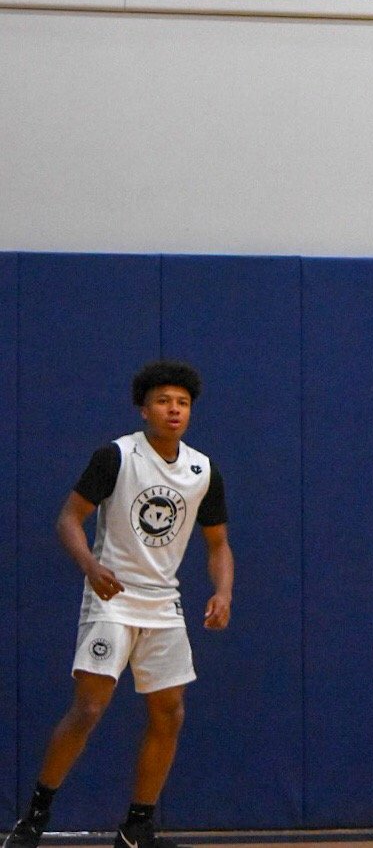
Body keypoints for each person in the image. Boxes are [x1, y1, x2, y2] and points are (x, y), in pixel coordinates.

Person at [4, 362, 233, 848]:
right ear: (143, 408)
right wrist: (90, 565)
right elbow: (69, 519)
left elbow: (218, 545)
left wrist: (223, 591)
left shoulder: (202, 469)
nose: (174, 409)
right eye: (164, 401)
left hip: (164, 605)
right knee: (88, 707)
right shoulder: (116, 456)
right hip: (112, 598)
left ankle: (136, 828)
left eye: (183, 403)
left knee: (169, 713)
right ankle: (34, 817)